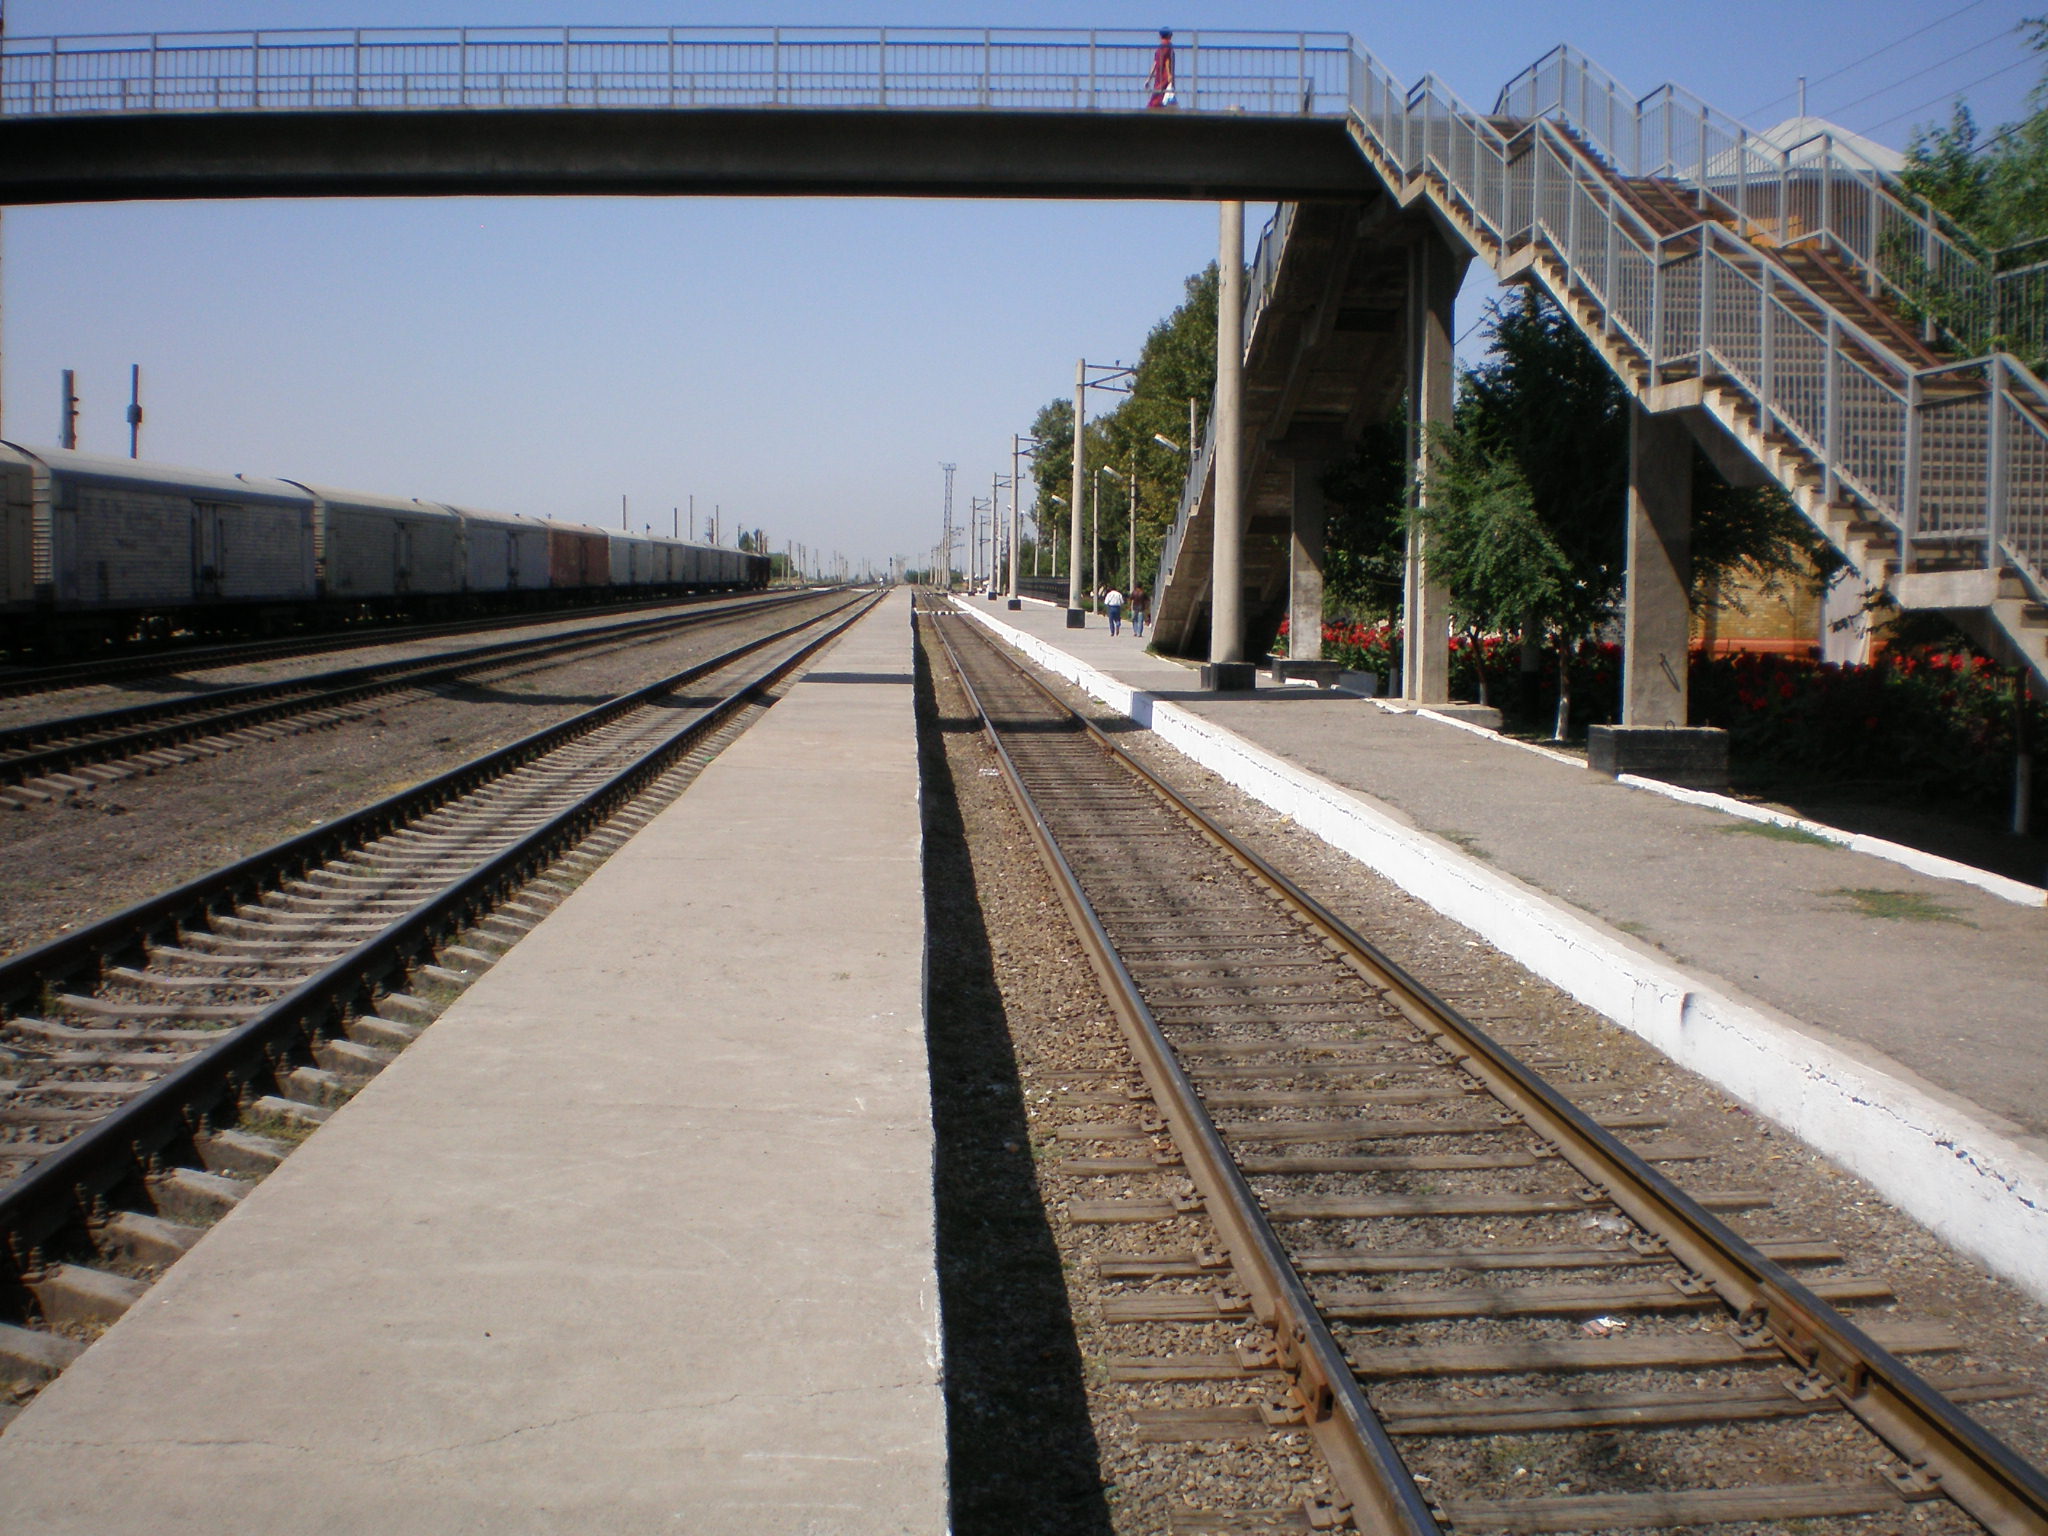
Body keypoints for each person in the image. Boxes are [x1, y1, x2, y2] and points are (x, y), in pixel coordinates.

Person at [1147, 29, 1176, 109]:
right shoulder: (1168, 46)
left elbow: (1155, 63)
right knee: (1164, 95)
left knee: (1157, 95)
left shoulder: (1159, 49)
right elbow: (1167, 60)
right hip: (1165, 76)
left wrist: (1148, 79)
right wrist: (1169, 74)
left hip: (1158, 76)